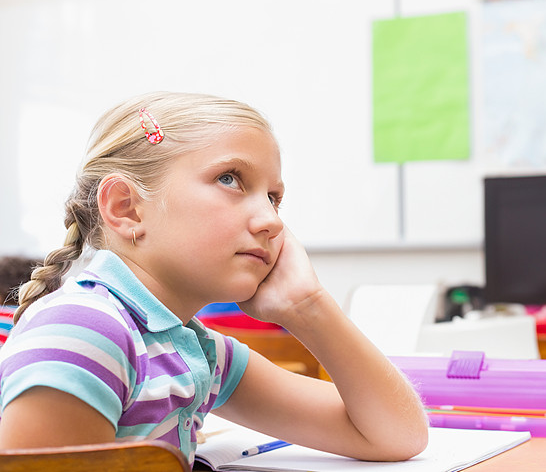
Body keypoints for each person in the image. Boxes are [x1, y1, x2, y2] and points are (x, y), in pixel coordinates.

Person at [0, 92, 428, 464]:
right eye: (230, 179)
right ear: (127, 208)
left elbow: (397, 435)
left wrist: (308, 306)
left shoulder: (195, 349)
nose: (271, 221)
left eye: (274, 198)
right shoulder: (87, 332)